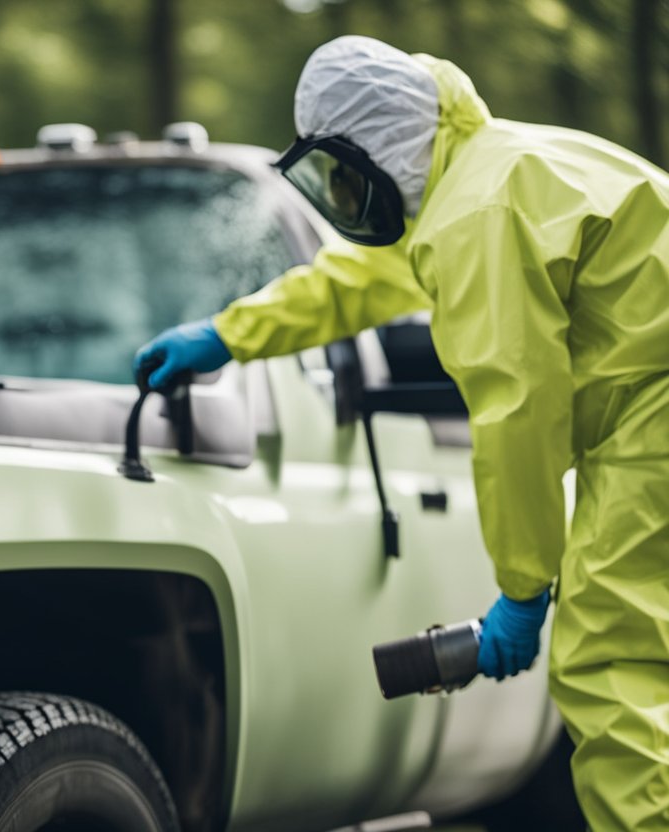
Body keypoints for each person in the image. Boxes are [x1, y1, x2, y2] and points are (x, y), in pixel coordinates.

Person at [135, 35, 669, 829]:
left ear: (379, 146)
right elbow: (358, 278)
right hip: (644, 402)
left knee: (608, 660)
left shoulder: (480, 211)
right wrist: (230, 334)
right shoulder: (477, 173)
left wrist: (524, 590)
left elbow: (515, 408)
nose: (347, 198)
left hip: (650, 411)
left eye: (347, 177)